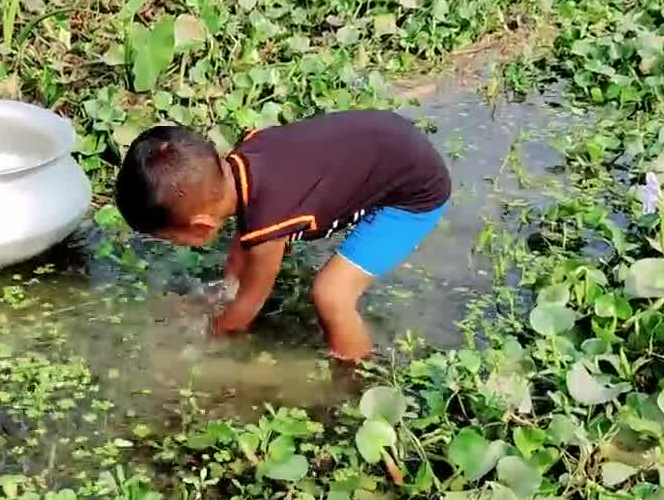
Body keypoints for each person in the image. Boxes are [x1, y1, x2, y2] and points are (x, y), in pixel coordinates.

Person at [114, 110, 452, 362]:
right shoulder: (246, 158)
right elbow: (242, 250)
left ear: (202, 226)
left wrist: (208, 336)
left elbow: (248, 308)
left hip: (414, 193)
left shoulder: (269, 226)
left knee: (331, 295)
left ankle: (357, 373)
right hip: (389, 140)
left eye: (172, 239)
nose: (176, 246)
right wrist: (219, 294)